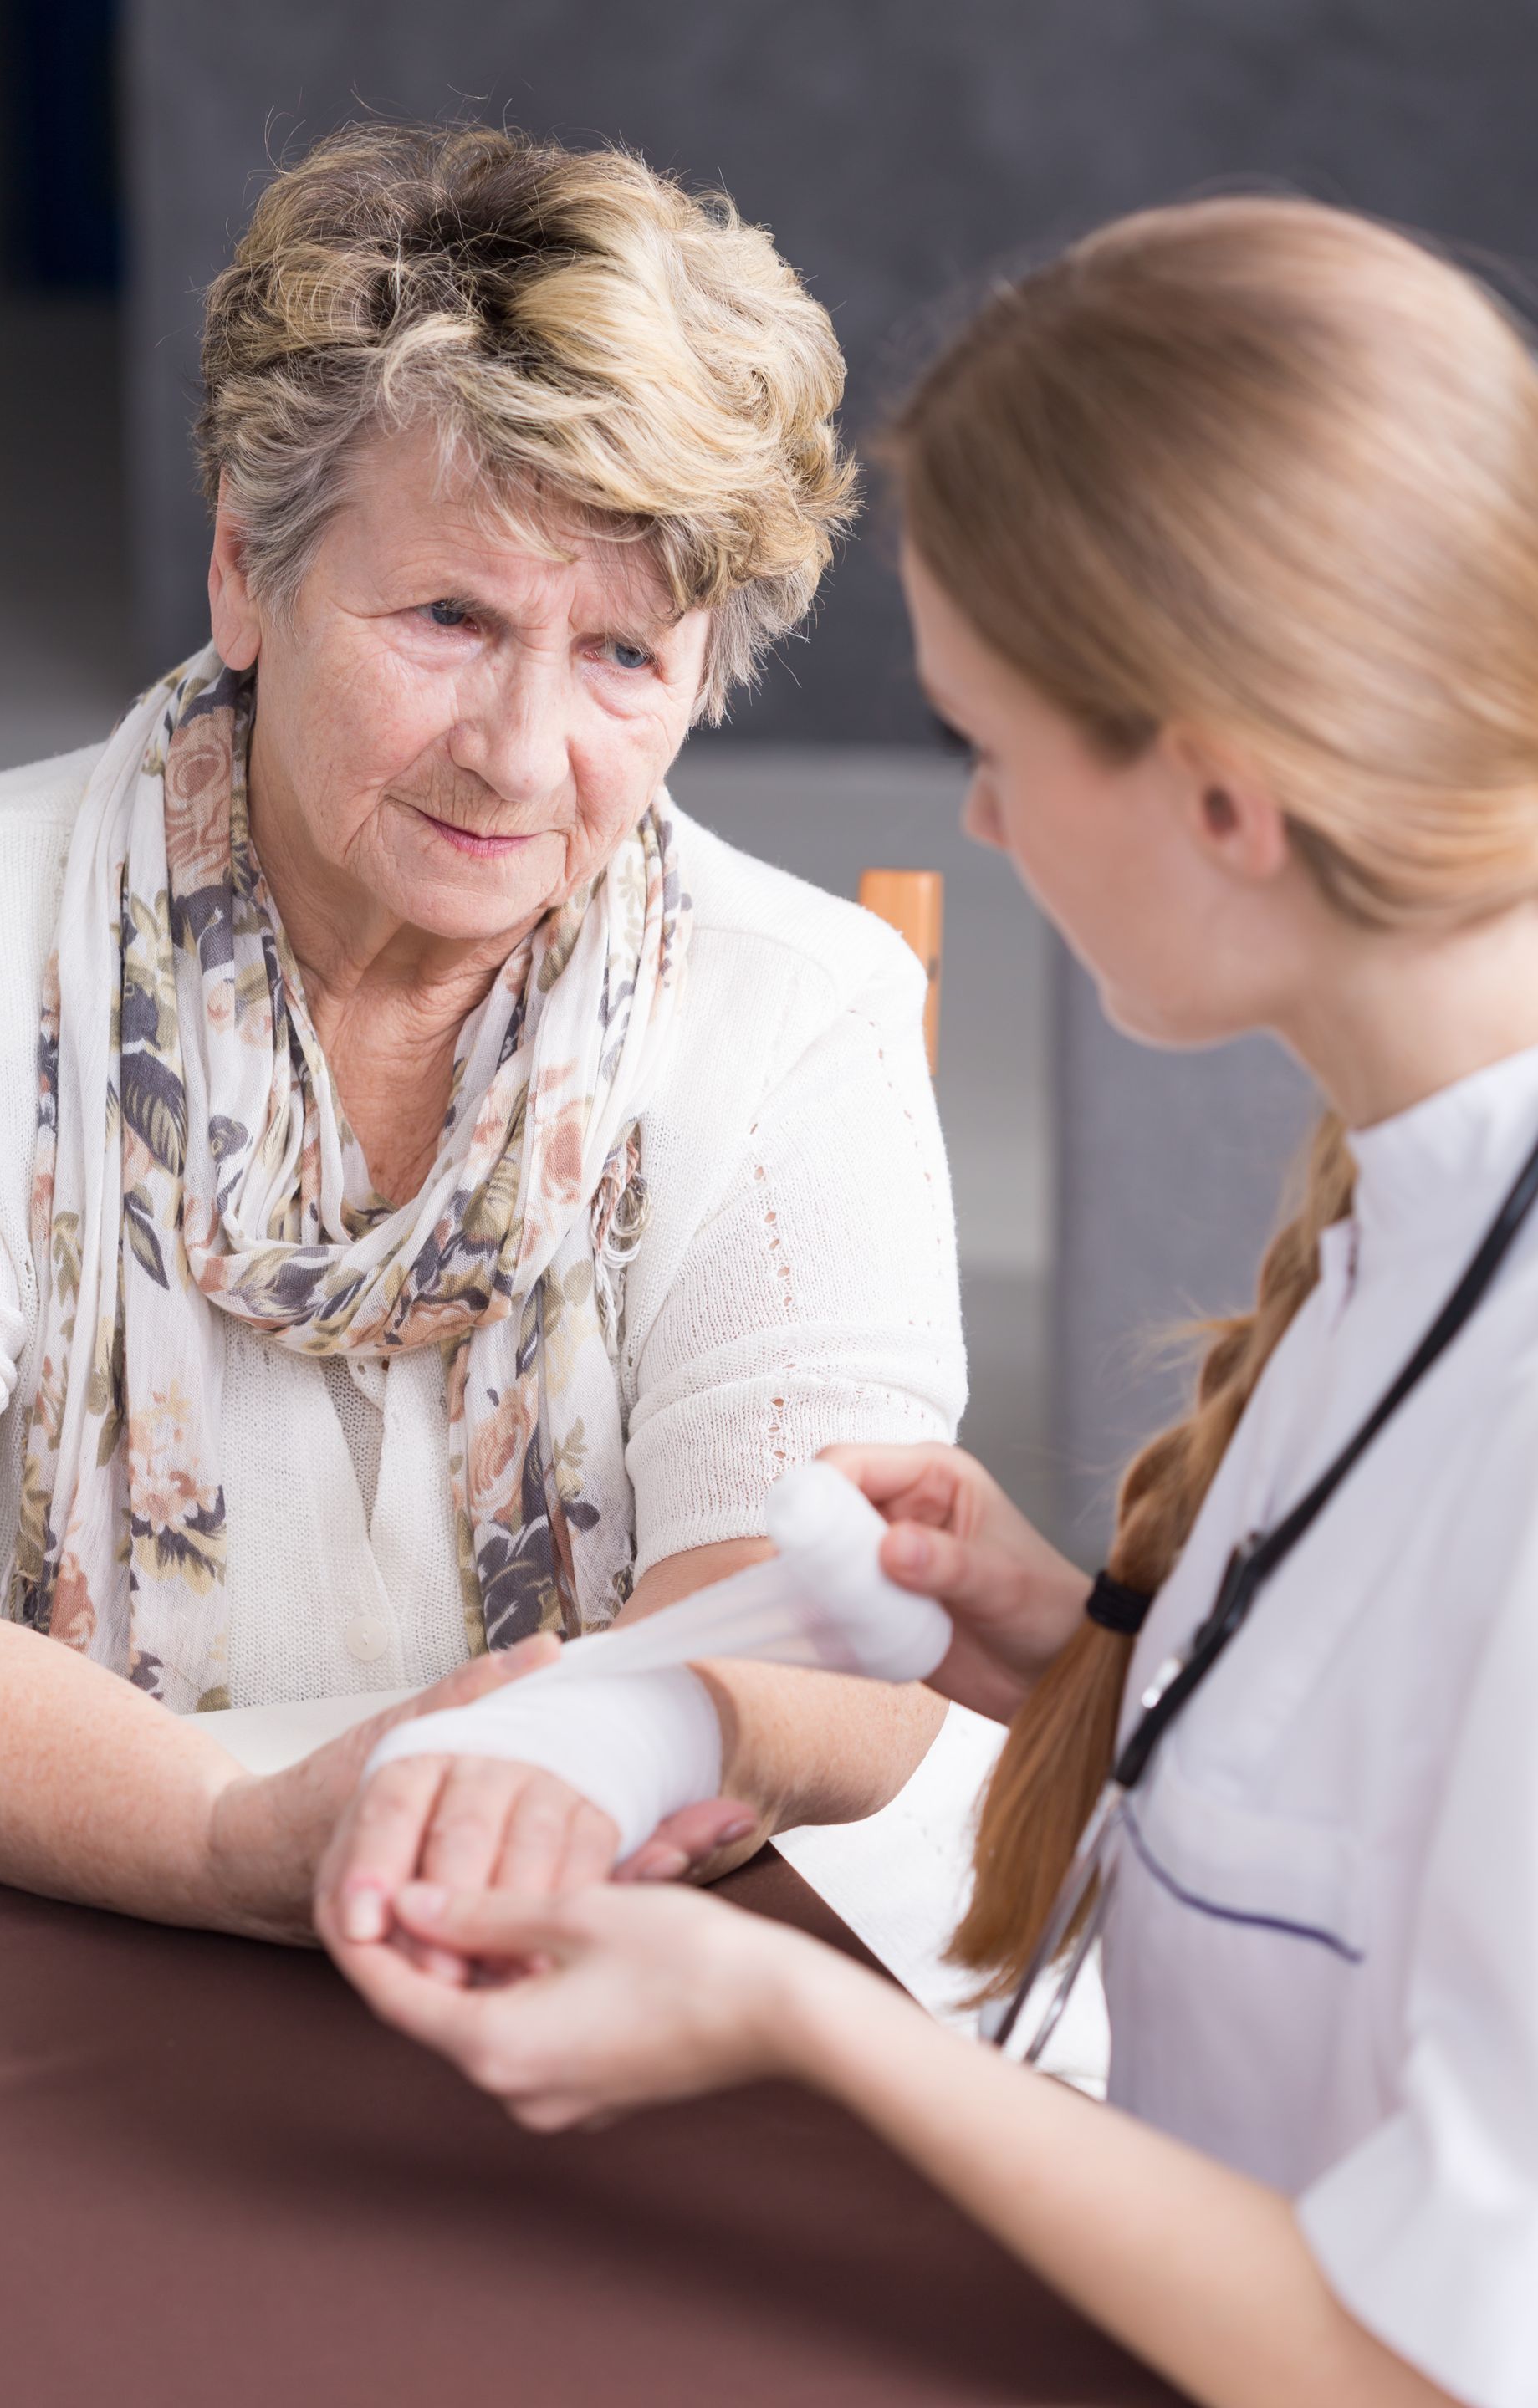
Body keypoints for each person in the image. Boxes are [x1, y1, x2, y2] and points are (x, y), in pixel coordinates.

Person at [324, 196, 1538, 2408]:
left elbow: (1430, 2363)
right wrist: (1077, 1637)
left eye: (991, 742)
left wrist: (788, 2022)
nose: (970, 818)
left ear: (1223, 795)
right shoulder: (1423, 1208)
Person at [0, 123, 963, 1939]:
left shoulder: (802, 1009)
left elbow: (832, 1647)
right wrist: (228, 1847)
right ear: (247, 573)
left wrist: (560, 1786)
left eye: (624, 656)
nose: (520, 748)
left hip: (587, 1917)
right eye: (449, 616)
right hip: (59, 1924)